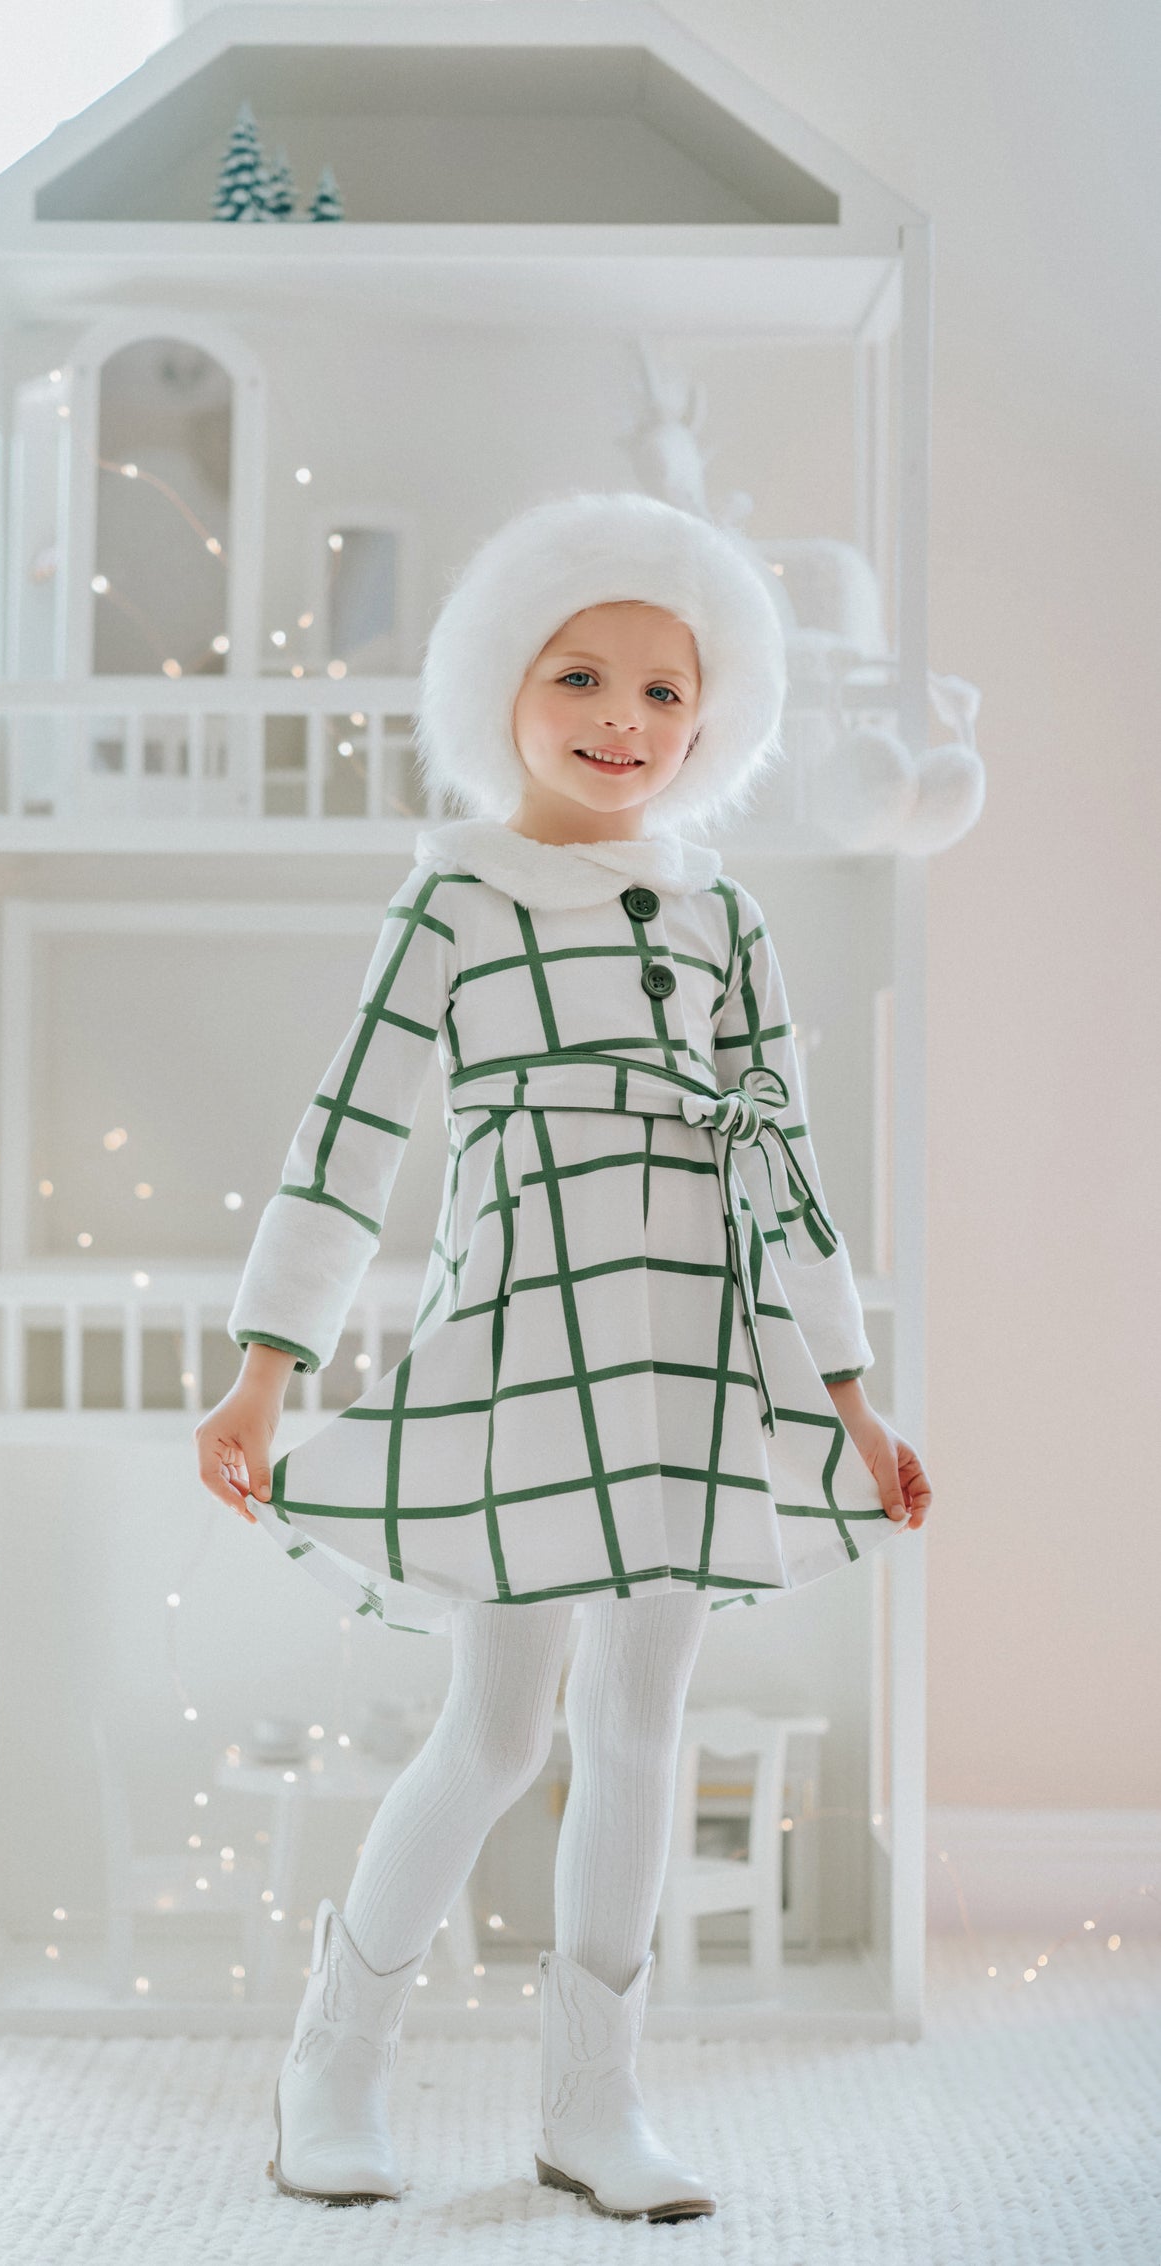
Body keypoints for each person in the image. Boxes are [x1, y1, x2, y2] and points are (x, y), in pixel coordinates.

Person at [195, 489, 933, 2223]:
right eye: (582, 677)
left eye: (665, 693)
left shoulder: (724, 920)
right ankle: (332, 2068)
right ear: (501, 690)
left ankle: (594, 2102)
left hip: (689, 1356)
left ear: (711, 714)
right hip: (529, 1353)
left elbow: (784, 1167)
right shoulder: (455, 891)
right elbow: (349, 1132)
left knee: (640, 1719)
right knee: (496, 1728)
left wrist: (847, 1395)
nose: (623, 721)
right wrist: (264, 1366)